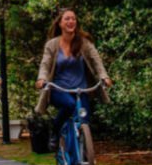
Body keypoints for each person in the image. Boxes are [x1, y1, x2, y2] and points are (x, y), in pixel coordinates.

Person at [35, 8, 113, 152]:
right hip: (59, 90)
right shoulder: (52, 45)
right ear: (60, 23)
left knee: (84, 122)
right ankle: (55, 130)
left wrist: (104, 76)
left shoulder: (84, 43)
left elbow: (96, 61)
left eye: (73, 19)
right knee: (69, 105)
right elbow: (45, 65)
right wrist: (42, 79)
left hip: (80, 90)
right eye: (67, 19)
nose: (71, 22)